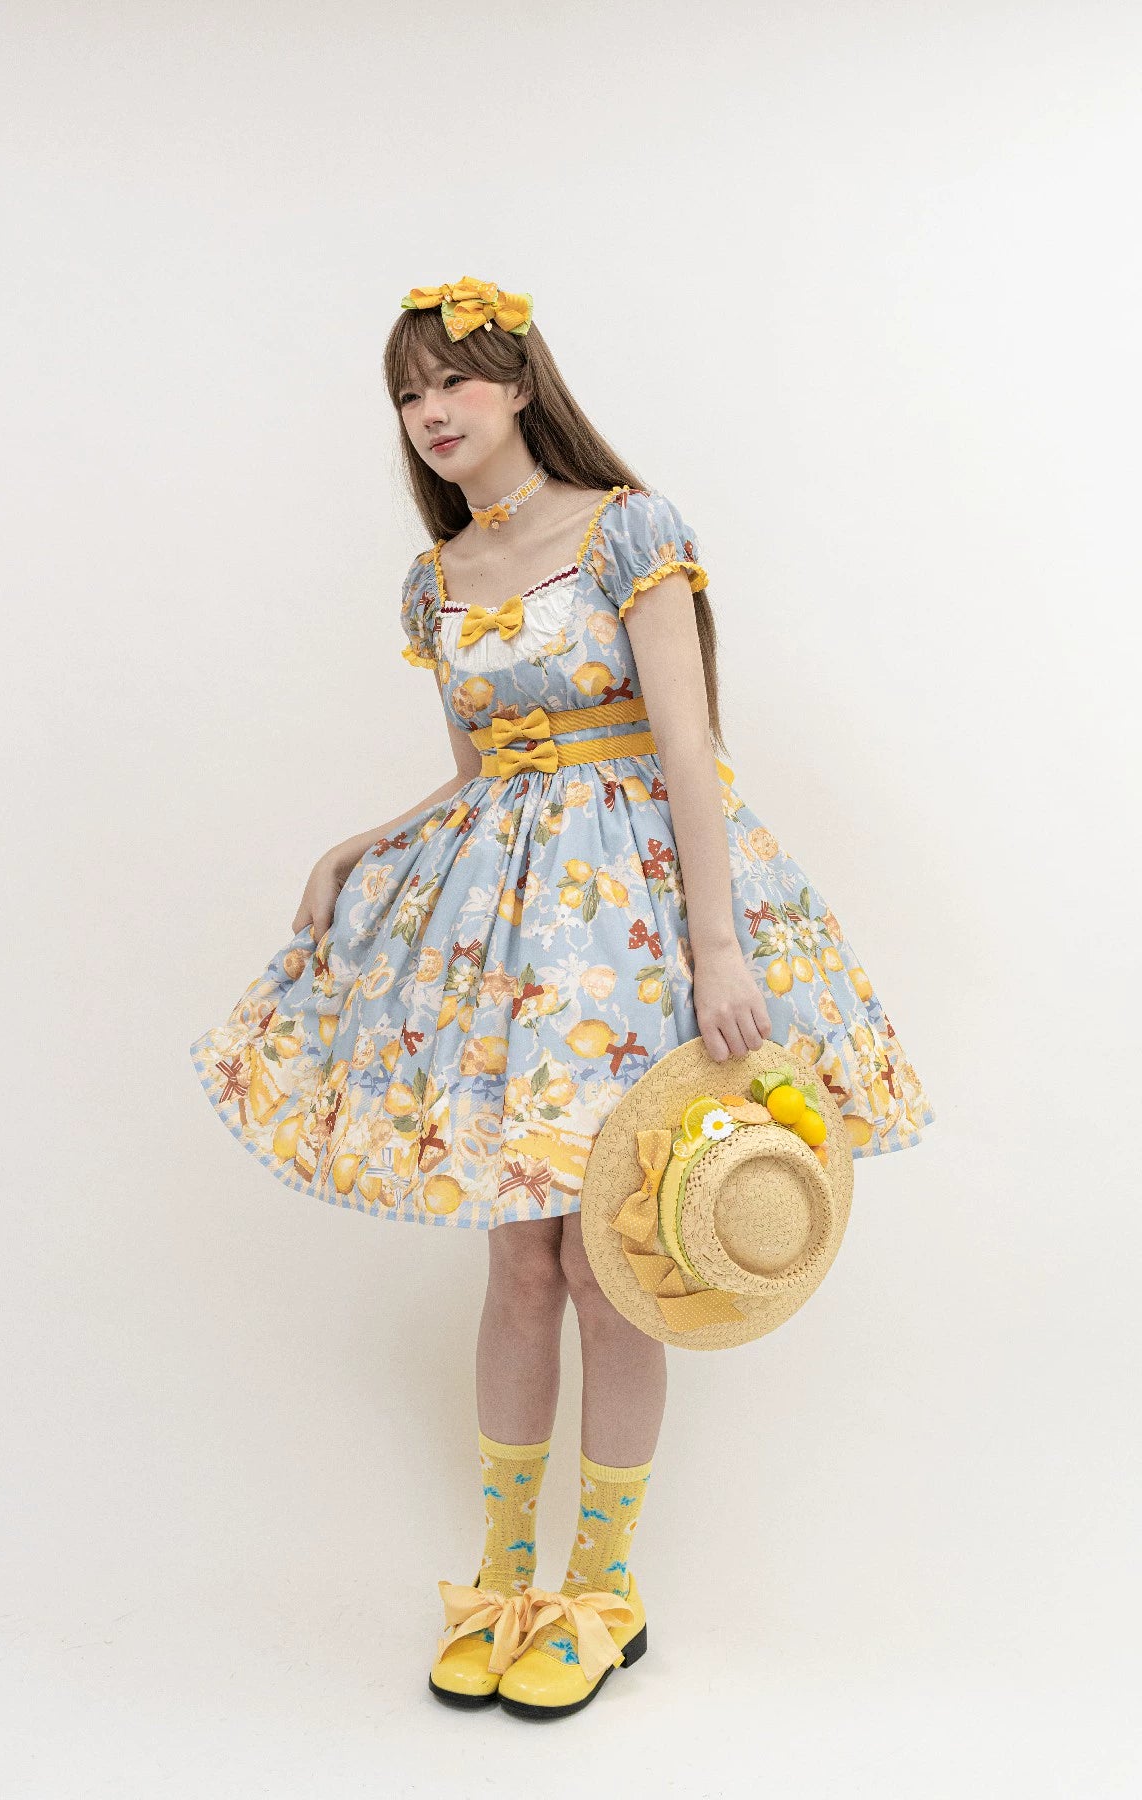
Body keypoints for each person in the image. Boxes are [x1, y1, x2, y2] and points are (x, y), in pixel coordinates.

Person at [188, 275, 935, 1718]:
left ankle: (604, 1588)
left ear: (520, 383)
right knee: (520, 1267)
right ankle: (503, 1577)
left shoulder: (627, 532)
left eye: (451, 382)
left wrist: (719, 949)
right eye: (409, 395)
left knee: (616, 1261)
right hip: (513, 953)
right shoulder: (438, 580)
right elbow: (483, 775)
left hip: (632, 934)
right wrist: (367, 841)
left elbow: (685, 746)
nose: (430, 413)